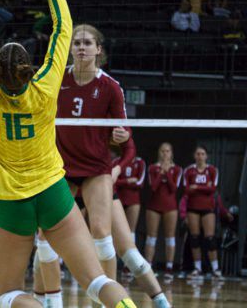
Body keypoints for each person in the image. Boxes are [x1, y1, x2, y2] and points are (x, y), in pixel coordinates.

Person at [0, 0, 135, 308]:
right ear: (28, 69)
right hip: (54, 190)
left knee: (7, 293)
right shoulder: (46, 85)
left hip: (11, 201)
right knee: (98, 280)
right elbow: (63, 27)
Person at [47, 22, 169, 307]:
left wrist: (119, 152)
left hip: (96, 172)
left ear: (98, 50)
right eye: (76, 42)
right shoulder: (56, 81)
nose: (81, 47)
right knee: (46, 236)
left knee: (122, 248)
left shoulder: (111, 88)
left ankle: (148, 301)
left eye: (87, 43)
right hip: (62, 170)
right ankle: (51, 301)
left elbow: (127, 142)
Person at [182, 146, 222, 278]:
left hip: (208, 208)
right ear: (194, 155)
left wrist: (196, 187)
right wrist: (205, 187)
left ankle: (215, 269)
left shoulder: (212, 170)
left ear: (206, 156)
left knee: (210, 239)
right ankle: (197, 268)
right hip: (193, 208)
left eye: (202, 154)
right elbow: (187, 189)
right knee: (194, 238)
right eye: (198, 154)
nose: (200, 156)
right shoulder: (189, 170)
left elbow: (213, 189)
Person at [145, 142, 182, 276]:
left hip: (170, 207)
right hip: (154, 206)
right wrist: (161, 172)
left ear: (171, 153)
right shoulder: (152, 168)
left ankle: (169, 268)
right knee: (151, 237)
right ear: (159, 153)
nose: (165, 154)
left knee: (170, 237)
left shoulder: (177, 169)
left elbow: (174, 188)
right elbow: (153, 187)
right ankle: (148, 266)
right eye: (162, 151)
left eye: (167, 151)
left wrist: (167, 172)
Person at [113, 139, 145, 246]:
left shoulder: (140, 162)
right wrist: (128, 181)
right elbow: (112, 180)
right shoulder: (116, 162)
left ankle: (129, 261)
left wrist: (121, 182)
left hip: (133, 201)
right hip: (118, 199)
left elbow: (140, 183)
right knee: (116, 230)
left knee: (131, 230)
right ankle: (115, 259)